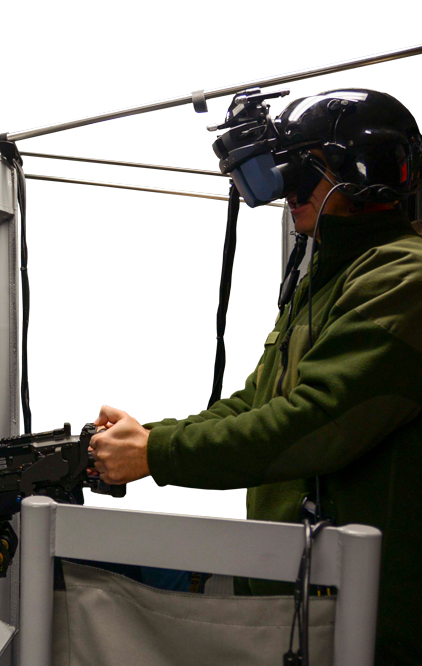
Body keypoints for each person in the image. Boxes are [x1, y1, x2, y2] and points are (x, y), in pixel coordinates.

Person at [86, 88, 421, 665]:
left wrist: (156, 454)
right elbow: (252, 403)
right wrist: (147, 436)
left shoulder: (403, 279)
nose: (285, 191)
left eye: (298, 171)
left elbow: (313, 422)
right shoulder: (328, 279)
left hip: (365, 622)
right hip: (294, 603)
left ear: (354, 172)